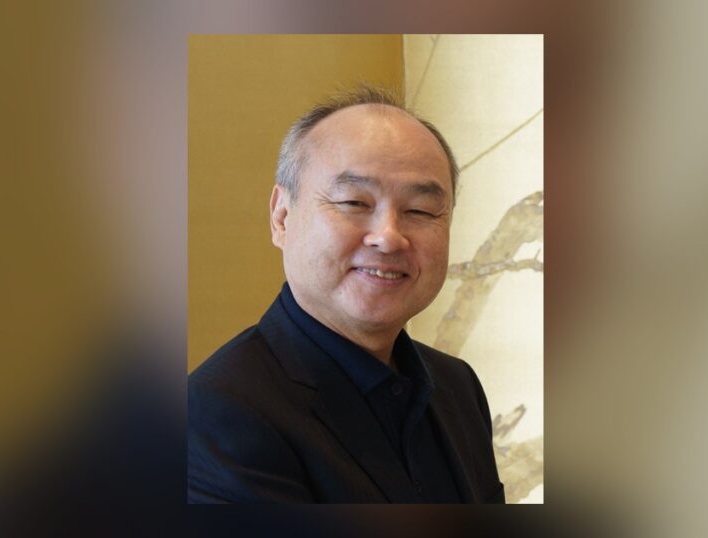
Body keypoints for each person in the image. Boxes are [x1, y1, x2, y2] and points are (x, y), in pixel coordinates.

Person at [188, 85, 505, 503]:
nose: (388, 237)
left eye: (420, 210)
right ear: (282, 217)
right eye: (354, 202)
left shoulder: (458, 387)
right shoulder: (216, 412)